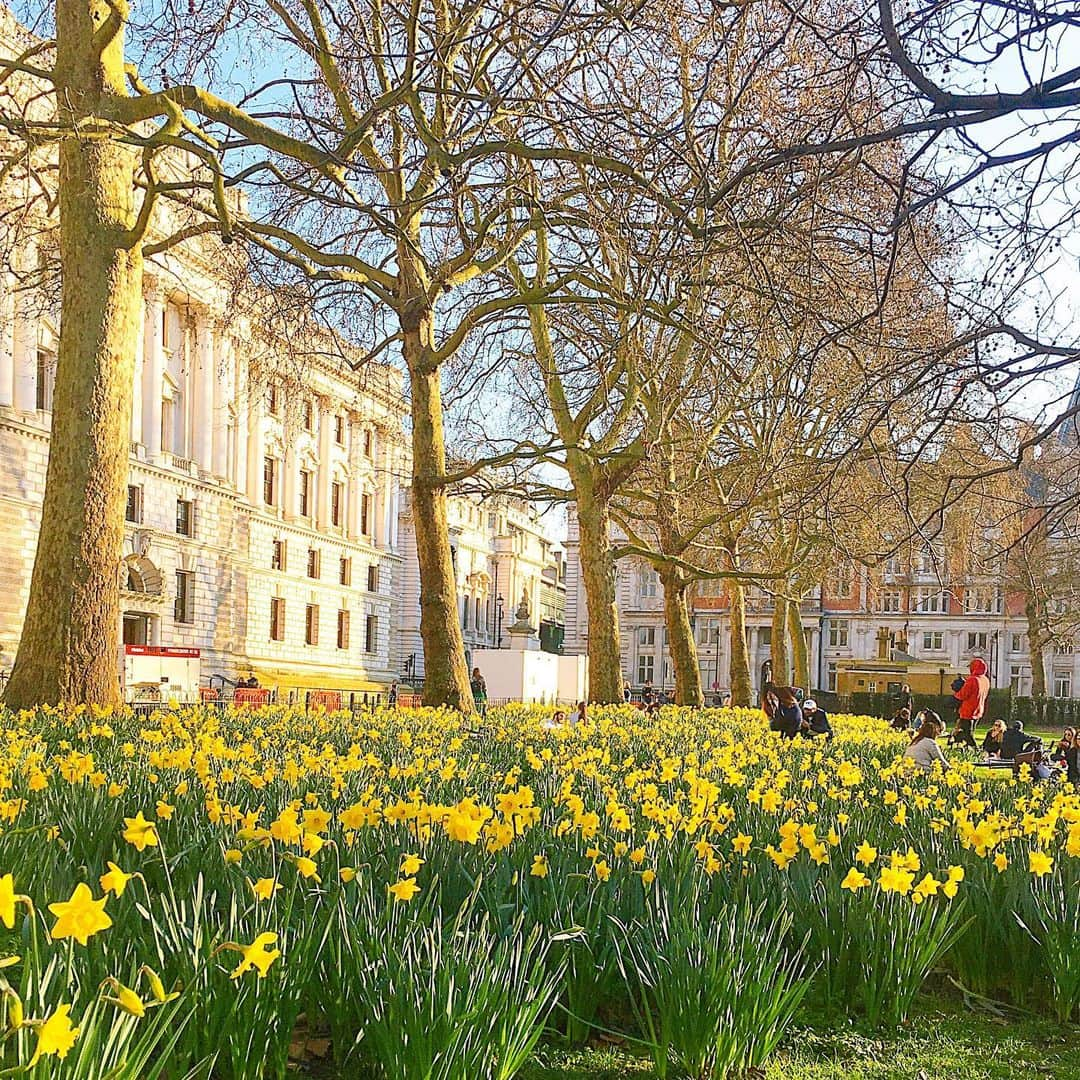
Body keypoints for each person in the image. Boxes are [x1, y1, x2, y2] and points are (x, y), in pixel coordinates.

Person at [952, 658, 990, 747]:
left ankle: (975, 750)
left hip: (968, 710)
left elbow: (963, 694)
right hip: (979, 709)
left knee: (967, 734)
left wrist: (955, 694)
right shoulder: (985, 680)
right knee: (970, 731)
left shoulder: (972, 679)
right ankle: (966, 748)